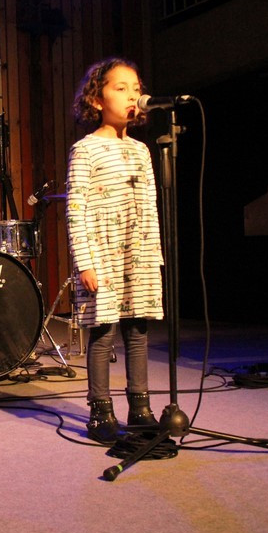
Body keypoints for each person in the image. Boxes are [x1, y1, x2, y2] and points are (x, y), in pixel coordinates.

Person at [65, 57, 164, 445]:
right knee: (103, 333)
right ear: (96, 99)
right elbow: (76, 210)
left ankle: (140, 408)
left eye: (135, 89)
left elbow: (150, 206)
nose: (131, 96)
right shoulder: (85, 150)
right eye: (120, 88)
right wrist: (85, 263)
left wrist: (154, 255)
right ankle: (100, 411)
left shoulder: (142, 151)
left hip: (139, 255)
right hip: (102, 256)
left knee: (137, 331)